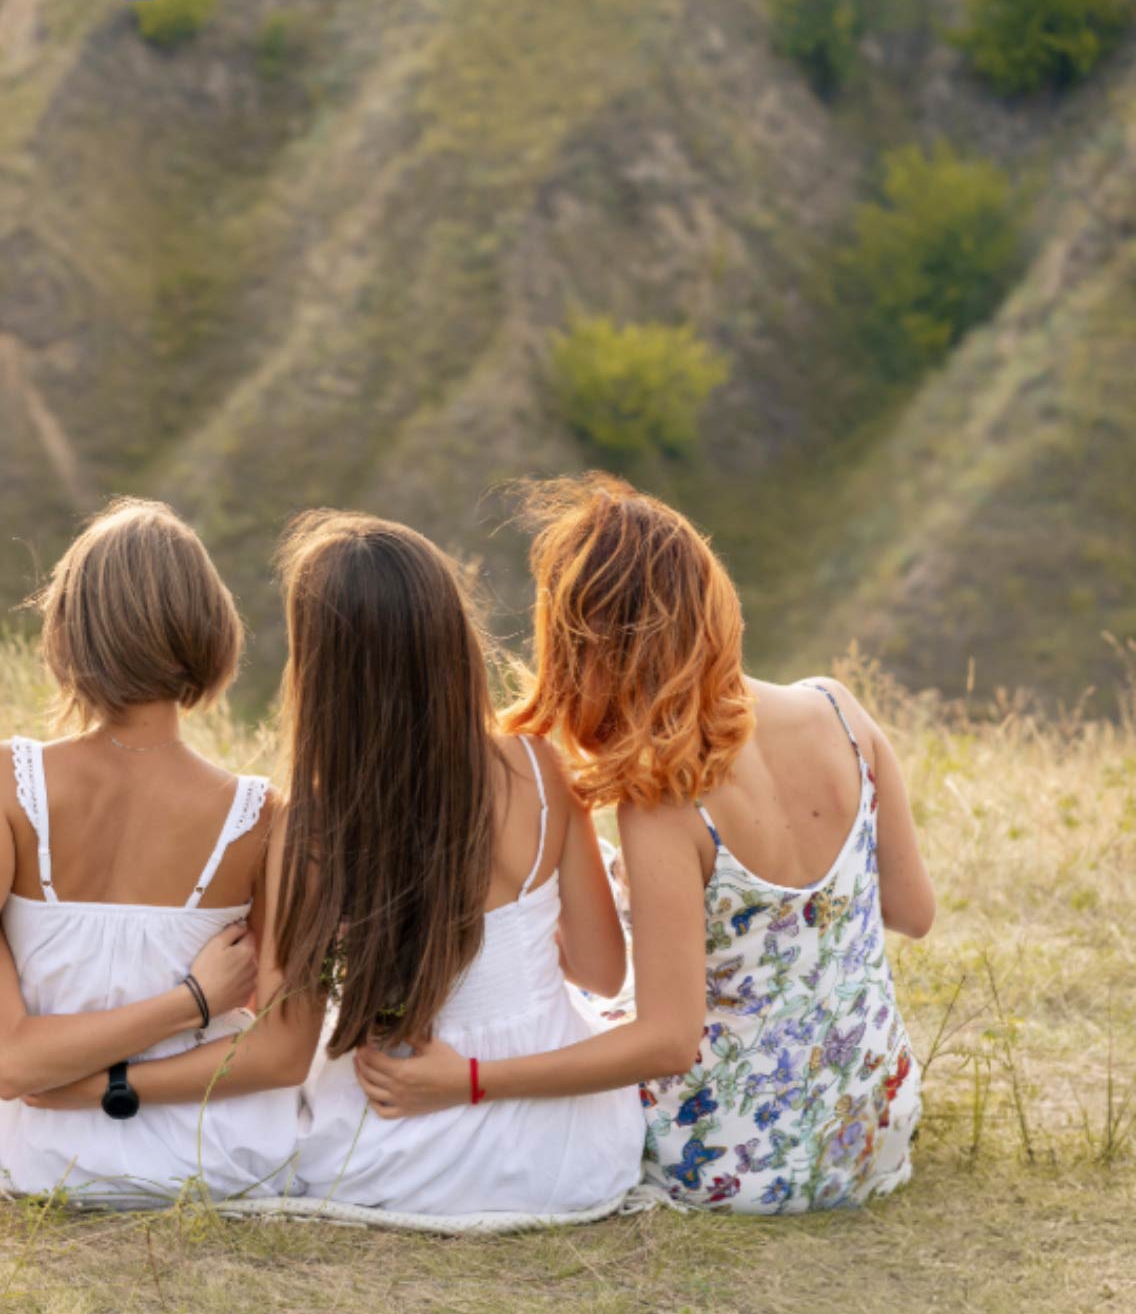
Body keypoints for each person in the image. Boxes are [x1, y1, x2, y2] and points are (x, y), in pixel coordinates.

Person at [24, 512, 640, 1219]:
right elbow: (603, 972)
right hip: (567, 1150)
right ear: (454, 637)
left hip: (395, 1156)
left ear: (319, 671)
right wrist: (517, 932)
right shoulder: (541, 768)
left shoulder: (309, 826)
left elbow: (275, 1029)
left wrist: (108, 1080)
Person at [355, 476, 935, 1214]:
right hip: (874, 1127)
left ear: (585, 644)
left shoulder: (664, 800)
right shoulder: (838, 709)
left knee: (566, 1017)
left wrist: (466, 1079)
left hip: (736, 1163)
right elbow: (914, 912)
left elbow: (667, 1043)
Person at [0, 499, 293, 1207]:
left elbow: (11, 1066)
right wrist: (192, 1002)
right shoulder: (262, 813)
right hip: (217, 1149)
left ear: (69, 633)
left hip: (41, 1149)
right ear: (211, 628)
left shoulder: (9, 781)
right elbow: (283, 1050)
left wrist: (91, 1085)